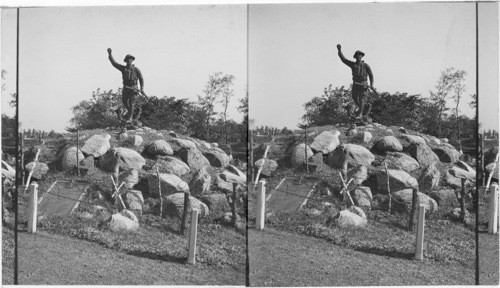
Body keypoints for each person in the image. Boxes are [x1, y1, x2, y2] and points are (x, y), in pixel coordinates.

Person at [107, 48, 145, 122]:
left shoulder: (136, 69)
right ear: (126, 61)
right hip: (126, 87)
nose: (129, 60)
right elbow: (114, 63)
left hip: (134, 87)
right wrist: (110, 54)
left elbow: (141, 79)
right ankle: (131, 111)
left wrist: (142, 88)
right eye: (127, 59)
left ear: (132, 60)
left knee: (132, 102)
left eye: (130, 59)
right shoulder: (123, 68)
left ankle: (130, 117)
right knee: (124, 100)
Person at [337, 44, 374, 118]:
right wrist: (339, 50)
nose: (359, 56)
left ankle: (360, 113)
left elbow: (371, 75)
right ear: (355, 57)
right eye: (357, 55)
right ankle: (364, 107)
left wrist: (371, 84)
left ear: (362, 56)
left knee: (362, 98)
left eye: (360, 55)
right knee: (354, 97)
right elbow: (344, 60)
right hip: (356, 84)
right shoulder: (353, 65)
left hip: (364, 84)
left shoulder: (366, 65)